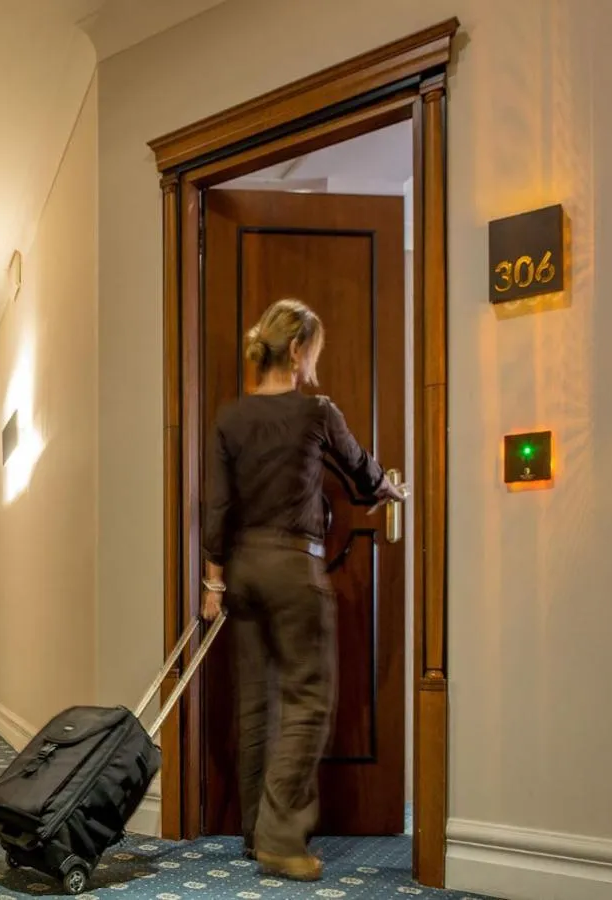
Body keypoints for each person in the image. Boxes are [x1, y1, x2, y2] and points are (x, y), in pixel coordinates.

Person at [200, 297, 406, 881]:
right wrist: (389, 491)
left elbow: (217, 509)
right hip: (294, 568)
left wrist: (213, 582)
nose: (313, 361)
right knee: (308, 700)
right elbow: (364, 475)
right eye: (312, 351)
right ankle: (281, 839)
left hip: (241, 570)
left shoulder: (229, 417)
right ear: (296, 351)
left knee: (257, 701)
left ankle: (252, 831)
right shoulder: (316, 412)